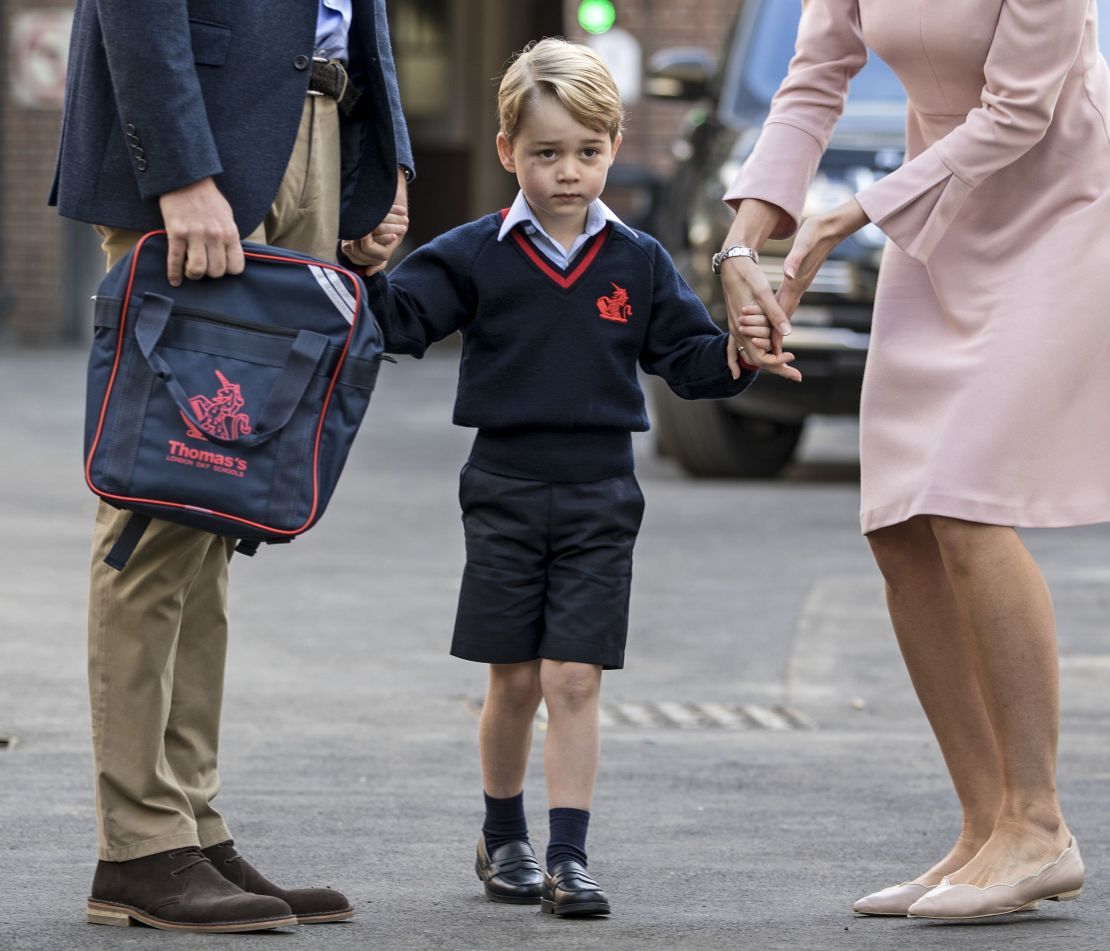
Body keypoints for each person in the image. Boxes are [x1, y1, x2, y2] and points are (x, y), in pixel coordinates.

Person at [351, 37, 794, 919]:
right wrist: (364, 257)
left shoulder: (637, 261)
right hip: (504, 488)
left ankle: (568, 855)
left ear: (613, 145)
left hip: (602, 495)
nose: (568, 172)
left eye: (588, 153)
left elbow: (689, 358)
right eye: (547, 154)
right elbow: (396, 321)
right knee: (513, 678)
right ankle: (503, 835)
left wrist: (742, 354)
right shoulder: (478, 252)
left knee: (574, 678)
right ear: (510, 151)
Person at [719, 0, 1105, 921]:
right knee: (899, 525)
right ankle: (984, 827)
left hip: (1058, 214)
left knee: (967, 498)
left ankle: (1039, 822)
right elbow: (814, 79)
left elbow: (1019, 112)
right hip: (937, 221)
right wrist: (743, 239)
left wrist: (848, 213)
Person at [51, 0, 412, 933]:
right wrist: (178, 169)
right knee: (157, 497)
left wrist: (380, 162)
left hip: (314, 123)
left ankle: (190, 823)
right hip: (204, 139)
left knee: (218, 503)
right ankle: (138, 843)